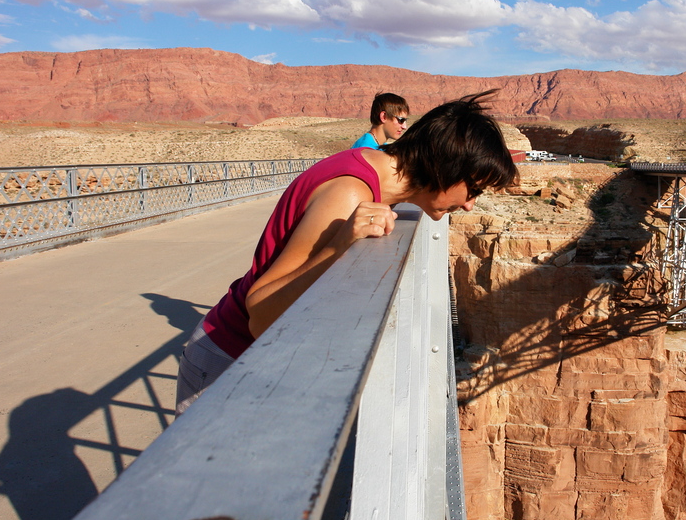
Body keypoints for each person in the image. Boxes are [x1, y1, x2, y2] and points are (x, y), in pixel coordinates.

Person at [176, 90, 517, 414]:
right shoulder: (352, 193)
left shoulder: (372, 170)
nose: (471, 205)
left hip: (254, 361)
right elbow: (261, 313)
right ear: (445, 166)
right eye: (472, 189)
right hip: (228, 359)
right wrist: (340, 246)